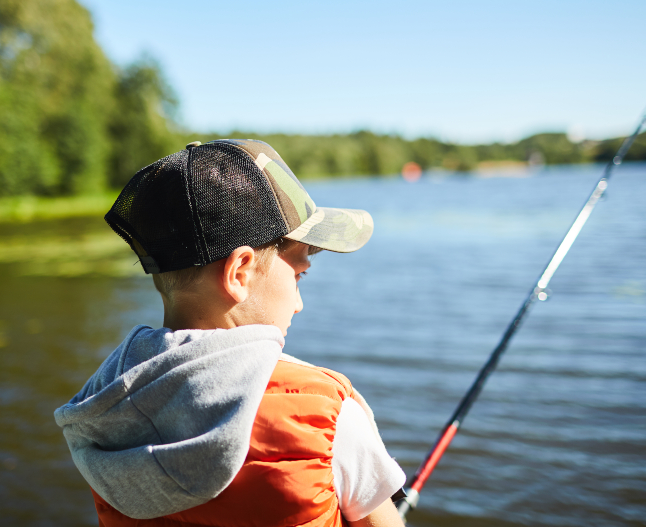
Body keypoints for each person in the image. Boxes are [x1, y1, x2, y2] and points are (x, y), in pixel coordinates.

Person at [55, 139, 406, 527]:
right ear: (239, 272)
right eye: (299, 274)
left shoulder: (102, 408)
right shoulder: (325, 414)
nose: (298, 303)